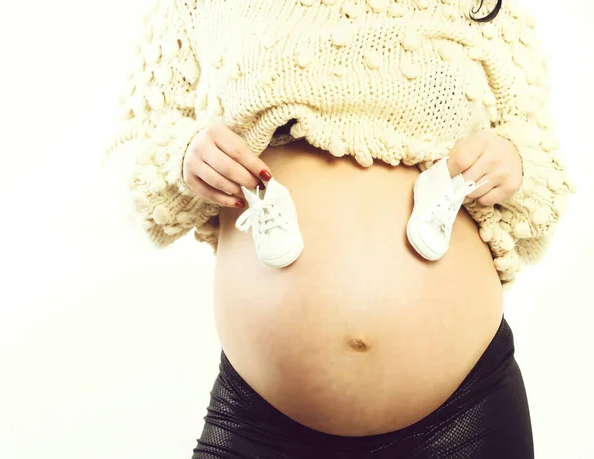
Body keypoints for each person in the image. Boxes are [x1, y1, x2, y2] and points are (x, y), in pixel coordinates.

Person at [102, 0, 576, 457]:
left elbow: (546, 173)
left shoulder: (486, 11)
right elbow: (128, 155)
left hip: (466, 418)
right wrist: (182, 157)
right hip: (261, 425)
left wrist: (514, 162)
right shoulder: (199, 5)